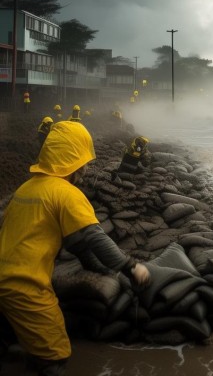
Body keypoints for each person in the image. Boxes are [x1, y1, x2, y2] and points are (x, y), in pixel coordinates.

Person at [0, 121, 150, 375]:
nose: (87, 167)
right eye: (84, 161)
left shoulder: (26, 188)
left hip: (4, 280)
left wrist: (95, 266)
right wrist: (130, 266)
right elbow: (95, 237)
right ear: (72, 160)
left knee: (8, 340)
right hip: (24, 286)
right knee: (55, 355)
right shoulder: (66, 194)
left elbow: (77, 243)